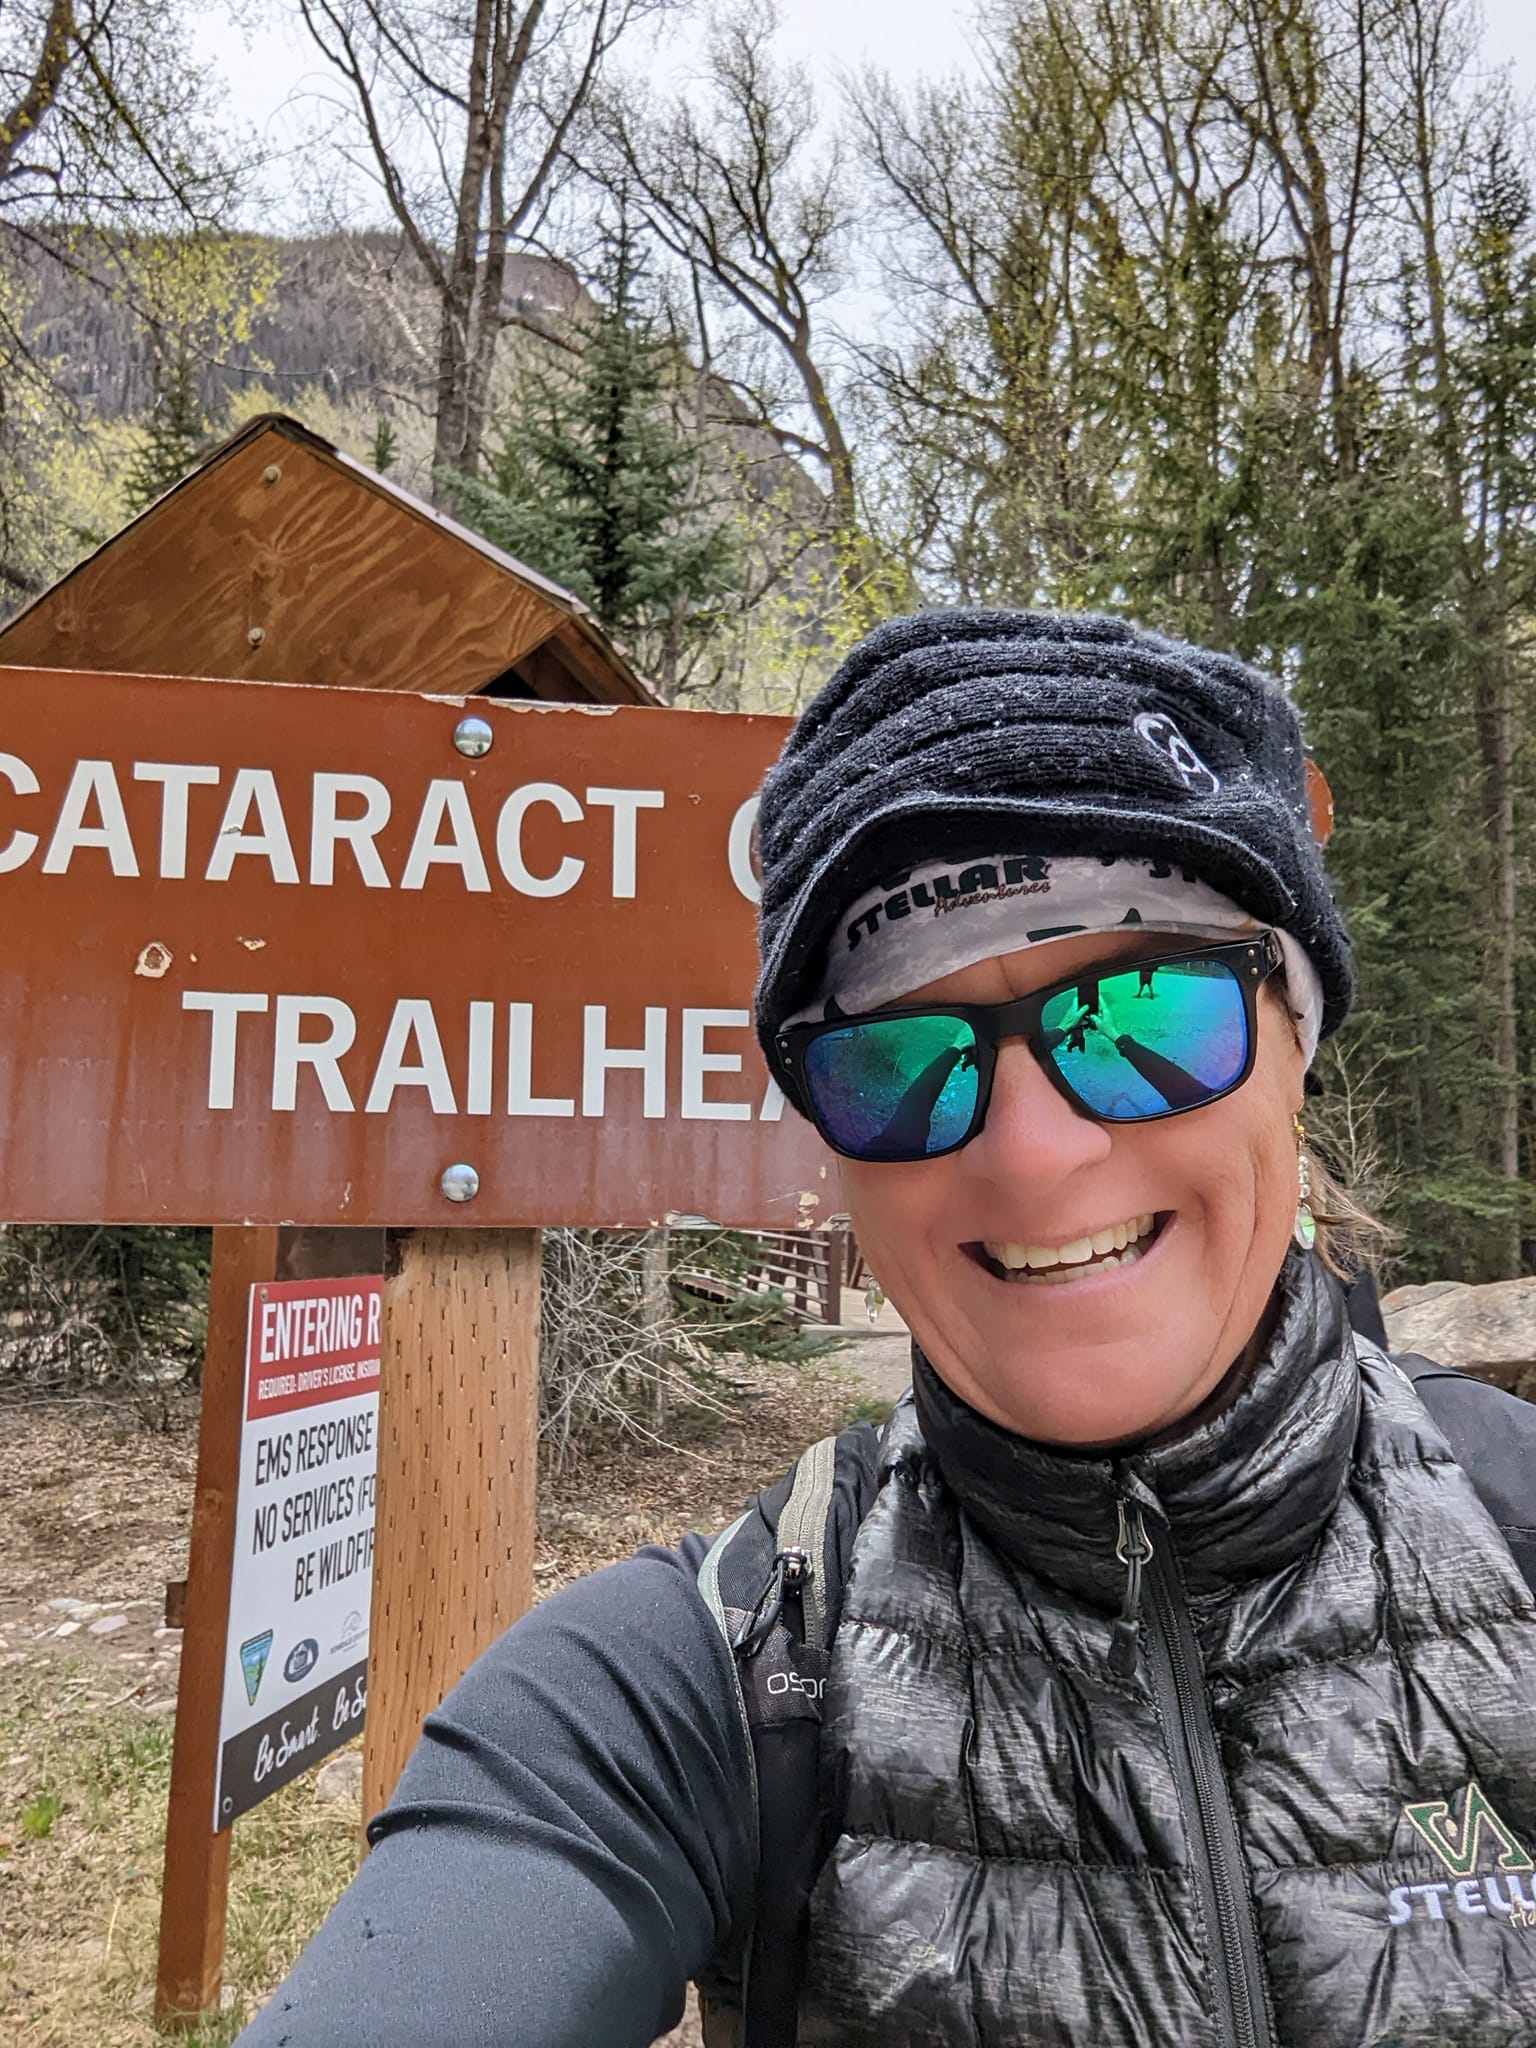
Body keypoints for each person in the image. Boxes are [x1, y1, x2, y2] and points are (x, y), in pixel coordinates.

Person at [238, 609, 1536, 2048]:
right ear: (835, 1153)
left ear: (1296, 1035)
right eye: (900, 1061)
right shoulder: (704, 1682)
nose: (1035, 1155)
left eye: (1148, 1008)